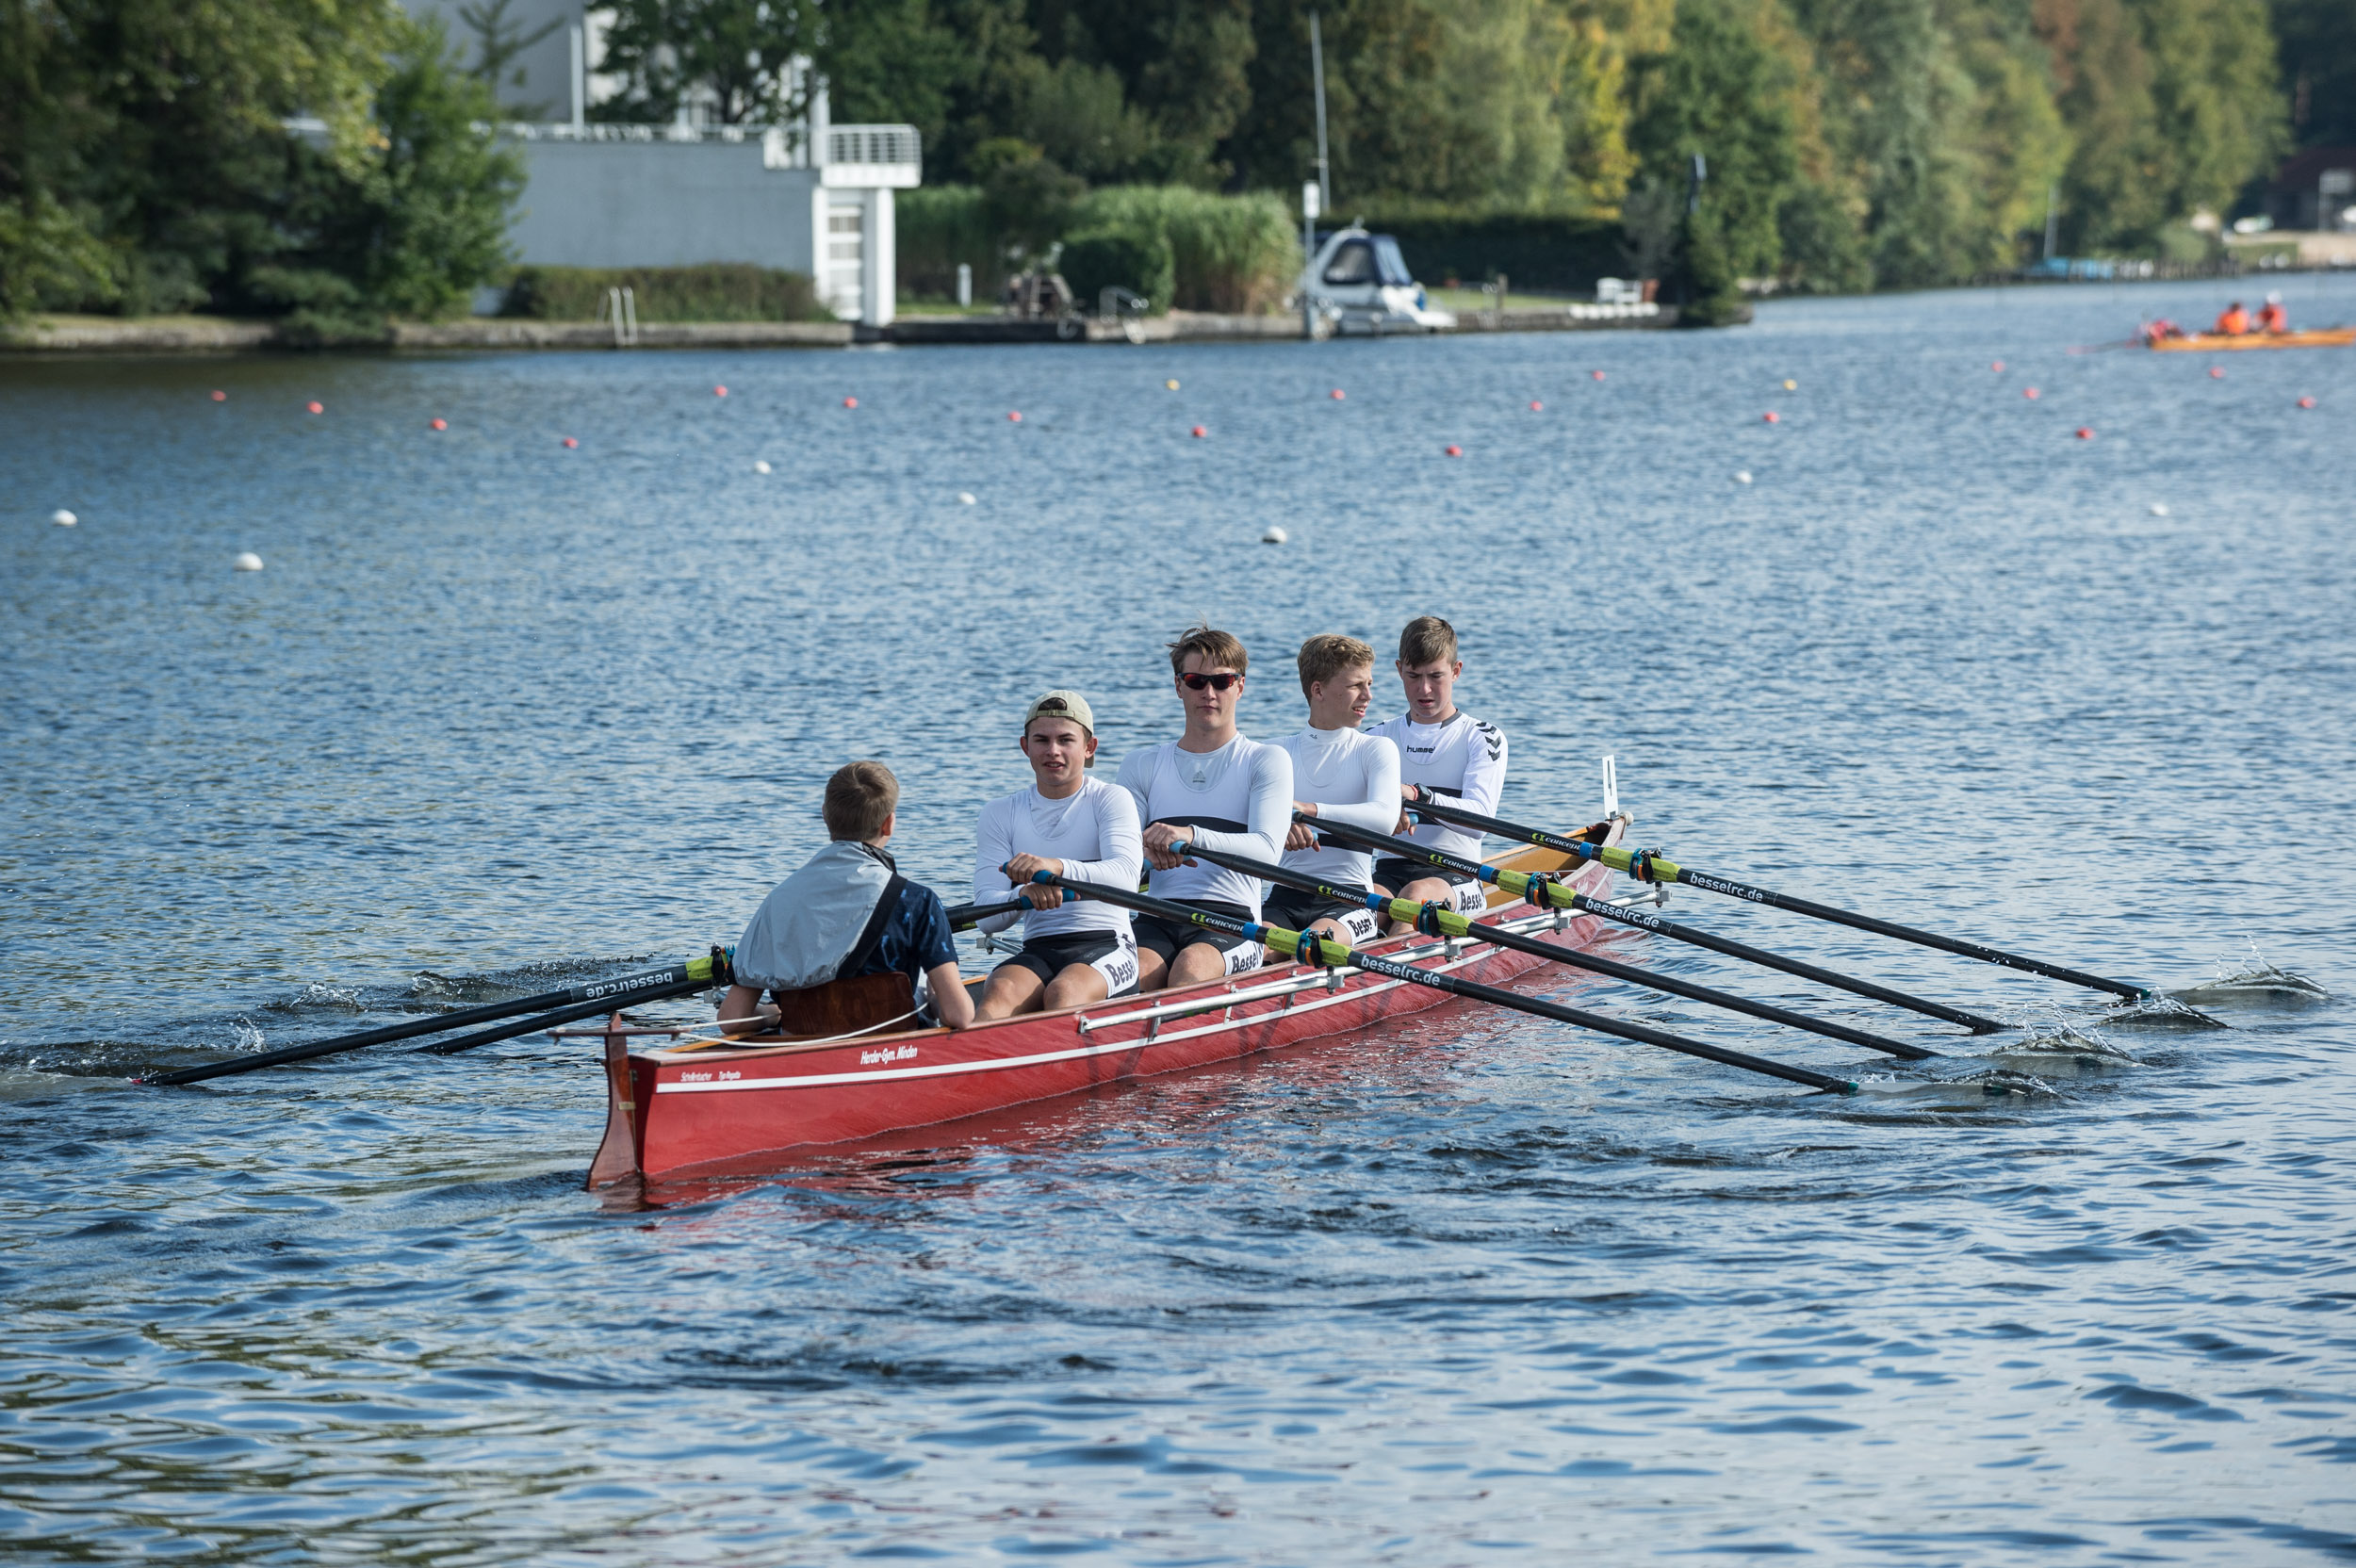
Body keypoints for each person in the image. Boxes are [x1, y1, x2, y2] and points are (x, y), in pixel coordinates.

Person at [717, 760, 974, 1037]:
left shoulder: (776, 901)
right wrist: (934, 996)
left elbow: (731, 1021)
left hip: (804, 1048)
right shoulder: (918, 901)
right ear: (888, 824)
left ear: (825, 817)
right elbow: (959, 1015)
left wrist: (772, 1015)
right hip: (890, 1051)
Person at [1115, 626, 1295, 991]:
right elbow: (1120, 860)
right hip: (1159, 917)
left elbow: (1267, 851)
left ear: (1240, 686)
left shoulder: (1264, 760)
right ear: (1178, 686)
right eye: (1196, 681)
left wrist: (1190, 836)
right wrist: (1146, 856)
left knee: (1191, 966)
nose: (1209, 693)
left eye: (1222, 681)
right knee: (1136, 971)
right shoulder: (1141, 764)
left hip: (1234, 920)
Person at [970, 691, 1144, 1019]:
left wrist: (1053, 867)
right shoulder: (999, 813)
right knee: (998, 993)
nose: (1053, 751)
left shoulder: (1110, 799)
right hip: (1039, 948)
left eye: (1066, 740)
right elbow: (987, 918)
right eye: (1042, 740)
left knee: (1065, 993)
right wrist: (1023, 893)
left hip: (1108, 944)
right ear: (1025, 747)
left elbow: (1126, 880)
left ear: (1089, 748)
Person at [1368, 616, 1508, 932]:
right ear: (1398, 669)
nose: (1425, 689)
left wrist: (1417, 796)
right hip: (1389, 872)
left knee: (1415, 896)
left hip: (1457, 875)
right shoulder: (1376, 738)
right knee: (1363, 903)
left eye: (1436, 676)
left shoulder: (1481, 737)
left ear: (1456, 671)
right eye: (1414, 676)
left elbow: (1480, 822)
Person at [1269, 634, 1401, 948]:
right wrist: (1277, 821)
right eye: (1357, 685)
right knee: (1257, 948)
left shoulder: (1376, 749)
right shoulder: (1275, 754)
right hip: (1285, 896)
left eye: (1370, 684)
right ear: (1318, 690)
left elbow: (1384, 818)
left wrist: (1304, 810)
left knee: (1314, 944)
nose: (1367, 696)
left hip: (1350, 899)